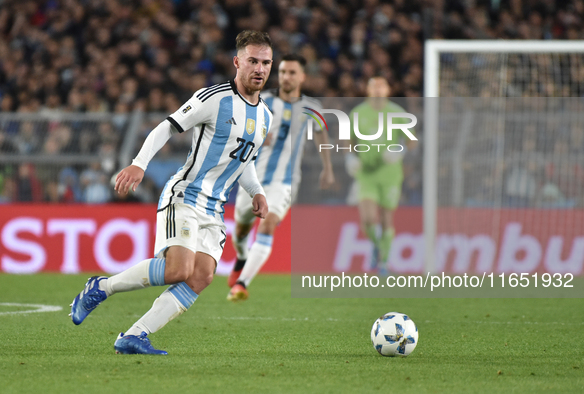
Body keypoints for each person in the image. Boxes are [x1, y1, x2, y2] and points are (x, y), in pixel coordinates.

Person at [69, 30, 274, 355]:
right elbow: (167, 125)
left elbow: (243, 161)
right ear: (237, 62)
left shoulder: (265, 116)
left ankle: (134, 335)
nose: (259, 69)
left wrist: (257, 191)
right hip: (186, 195)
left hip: (215, 208)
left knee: (202, 276)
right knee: (178, 268)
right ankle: (101, 287)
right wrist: (139, 164)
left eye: (265, 62)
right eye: (252, 61)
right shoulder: (214, 98)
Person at [227, 54, 335, 301]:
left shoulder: (312, 108)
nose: (286, 77)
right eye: (283, 72)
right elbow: (239, 128)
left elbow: (320, 134)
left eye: (292, 73)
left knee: (268, 223)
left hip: (284, 182)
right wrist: (258, 138)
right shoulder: (261, 100)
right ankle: (242, 258)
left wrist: (327, 168)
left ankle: (242, 284)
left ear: (302, 77)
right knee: (241, 230)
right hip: (251, 177)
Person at [346, 76, 413, 274]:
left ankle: (384, 262)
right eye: (373, 86)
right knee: (367, 219)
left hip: (390, 173)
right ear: (367, 90)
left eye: (381, 86)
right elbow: (348, 139)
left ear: (388, 90)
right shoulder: (358, 113)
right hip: (366, 172)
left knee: (385, 218)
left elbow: (411, 139)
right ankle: (377, 245)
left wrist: (400, 150)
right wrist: (350, 157)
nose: (377, 90)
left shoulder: (397, 112)